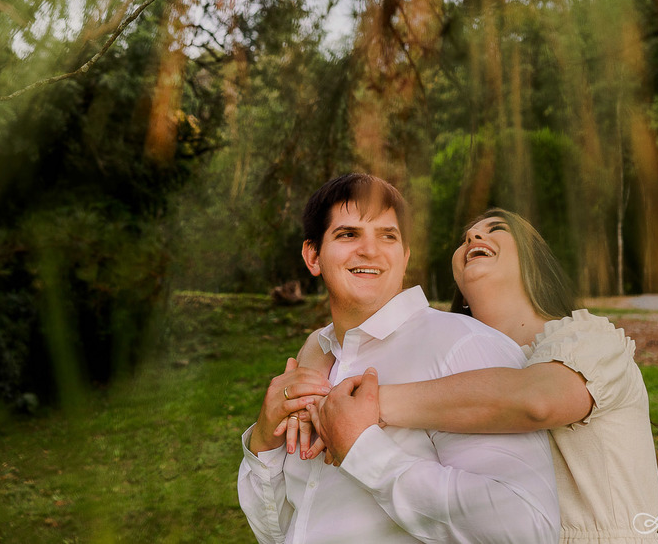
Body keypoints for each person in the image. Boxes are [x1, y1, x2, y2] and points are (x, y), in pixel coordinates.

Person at [294, 208, 658, 543]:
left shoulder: (588, 339)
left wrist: (371, 405)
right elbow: (332, 338)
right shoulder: (459, 352)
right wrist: (307, 378)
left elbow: (536, 401)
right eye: (465, 237)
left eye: (496, 229)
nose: (472, 238)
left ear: (534, 263)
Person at [238, 175, 559, 544]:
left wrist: (364, 451)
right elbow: (284, 530)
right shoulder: (318, 362)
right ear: (313, 256)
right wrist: (264, 440)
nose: (370, 250)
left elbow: (526, 529)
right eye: (348, 234)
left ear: (405, 257)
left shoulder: (462, 347)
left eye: (387, 236)